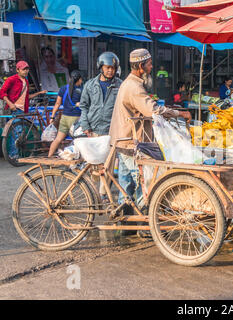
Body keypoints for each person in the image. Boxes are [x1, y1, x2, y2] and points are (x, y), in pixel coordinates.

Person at [109, 48, 191, 235]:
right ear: (140, 66)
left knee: (126, 183)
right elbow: (153, 110)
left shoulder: (132, 83)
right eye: (149, 64)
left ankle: (128, 226)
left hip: (125, 140)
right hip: (130, 141)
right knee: (142, 183)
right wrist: (179, 113)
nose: (152, 67)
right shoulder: (134, 87)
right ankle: (144, 225)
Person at [79, 51, 122, 200]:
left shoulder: (120, 85)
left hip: (111, 131)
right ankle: (94, 190)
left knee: (108, 165)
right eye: (107, 67)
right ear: (101, 67)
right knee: (94, 164)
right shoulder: (90, 85)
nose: (110, 70)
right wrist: (85, 124)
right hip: (93, 130)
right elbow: (83, 106)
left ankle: (103, 194)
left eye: (113, 68)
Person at [48, 70, 84, 157]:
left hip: (64, 118)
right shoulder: (81, 90)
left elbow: (57, 103)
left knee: (58, 139)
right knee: (78, 141)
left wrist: (52, 117)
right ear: (79, 80)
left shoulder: (63, 89)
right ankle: (74, 164)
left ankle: (49, 158)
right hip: (76, 119)